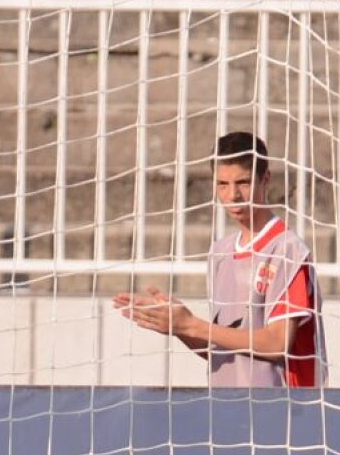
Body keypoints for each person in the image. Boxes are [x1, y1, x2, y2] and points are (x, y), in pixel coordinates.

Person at [114, 131, 323, 387]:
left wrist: (193, 325)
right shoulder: (220, 253)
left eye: (243, 183)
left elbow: (277, 342)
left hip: (284, 410)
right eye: (222, 184)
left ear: (265, 179)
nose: (232, 195)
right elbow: (221, 350)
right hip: (225, 407)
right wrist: (179, 326)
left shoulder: (287, 249)